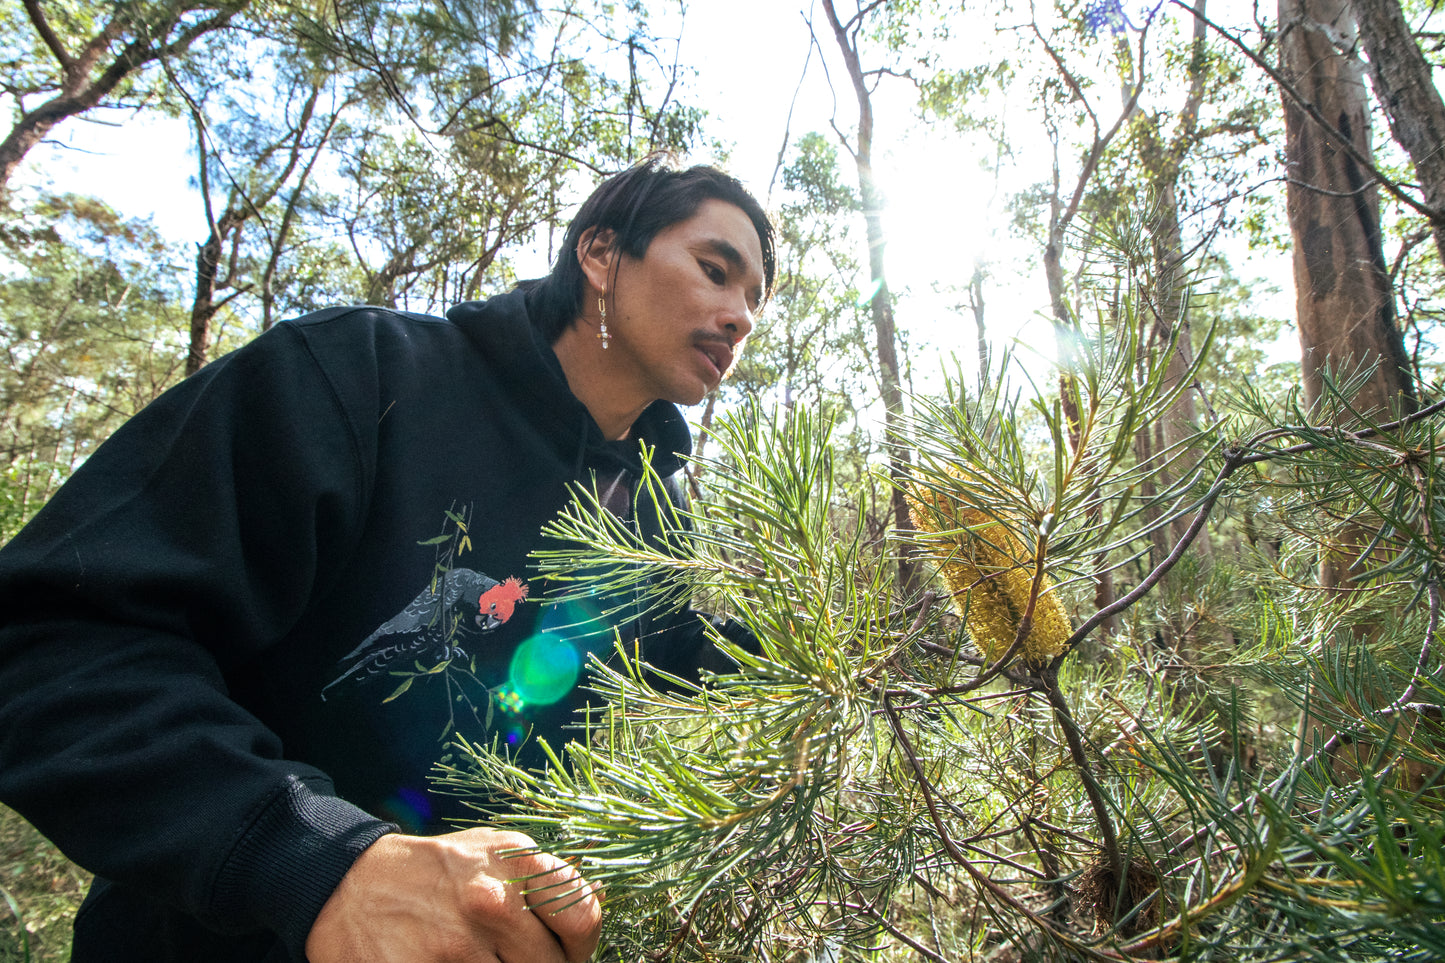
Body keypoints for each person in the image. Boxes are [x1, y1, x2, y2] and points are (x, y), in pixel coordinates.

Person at [0, 155, 775, 962]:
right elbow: (55, 636)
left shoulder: (661, 522)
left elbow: (679, 677)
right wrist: (316, 861)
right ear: (600, 253)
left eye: (754, 300)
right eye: (715, 270)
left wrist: (851, 663)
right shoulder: (361, 376)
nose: (740, 316)